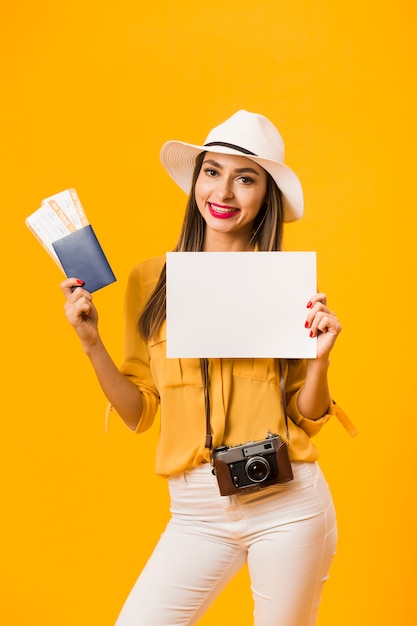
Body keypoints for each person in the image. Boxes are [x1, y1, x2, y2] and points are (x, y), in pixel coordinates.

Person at [61, 110, 355, 626]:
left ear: (266, 196)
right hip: (196, 511)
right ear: (196, 180)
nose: (224, 192)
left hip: (285, 503)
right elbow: (140, 411)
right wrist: (92, 343)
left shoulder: (281, 284)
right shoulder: (149, 280)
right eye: (211, 171)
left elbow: (305, 415)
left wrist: (321, 359)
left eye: (246, 178)